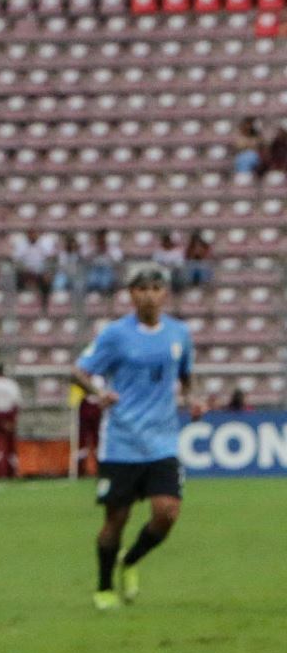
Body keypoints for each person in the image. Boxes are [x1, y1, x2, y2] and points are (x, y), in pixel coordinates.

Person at [70, 264, 199, 611]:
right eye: (141, 288)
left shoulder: (179, 334)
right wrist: (98, 393)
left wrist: (191, 399)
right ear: (131, 294)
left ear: (165, 293)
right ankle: (103, 586)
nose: (149, 294)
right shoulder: (115, 335)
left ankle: (131, 560)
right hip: (122, 441)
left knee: (167, 512)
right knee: (116, 520)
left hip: (162, 441)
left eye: (156, 287)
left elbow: (185, 375)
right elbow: (79, 371)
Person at [84, 228, 122, 295]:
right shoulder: (92, 246)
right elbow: (85, 258)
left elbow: (118, 259)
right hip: (95, 268)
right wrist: (94, 252)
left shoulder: (112, 247)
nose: (101, 239)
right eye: (99, 237)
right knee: (91, 281)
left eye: (103, 237)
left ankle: (104, 294)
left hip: (108, 269)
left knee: (105, 283)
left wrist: (107, 252)